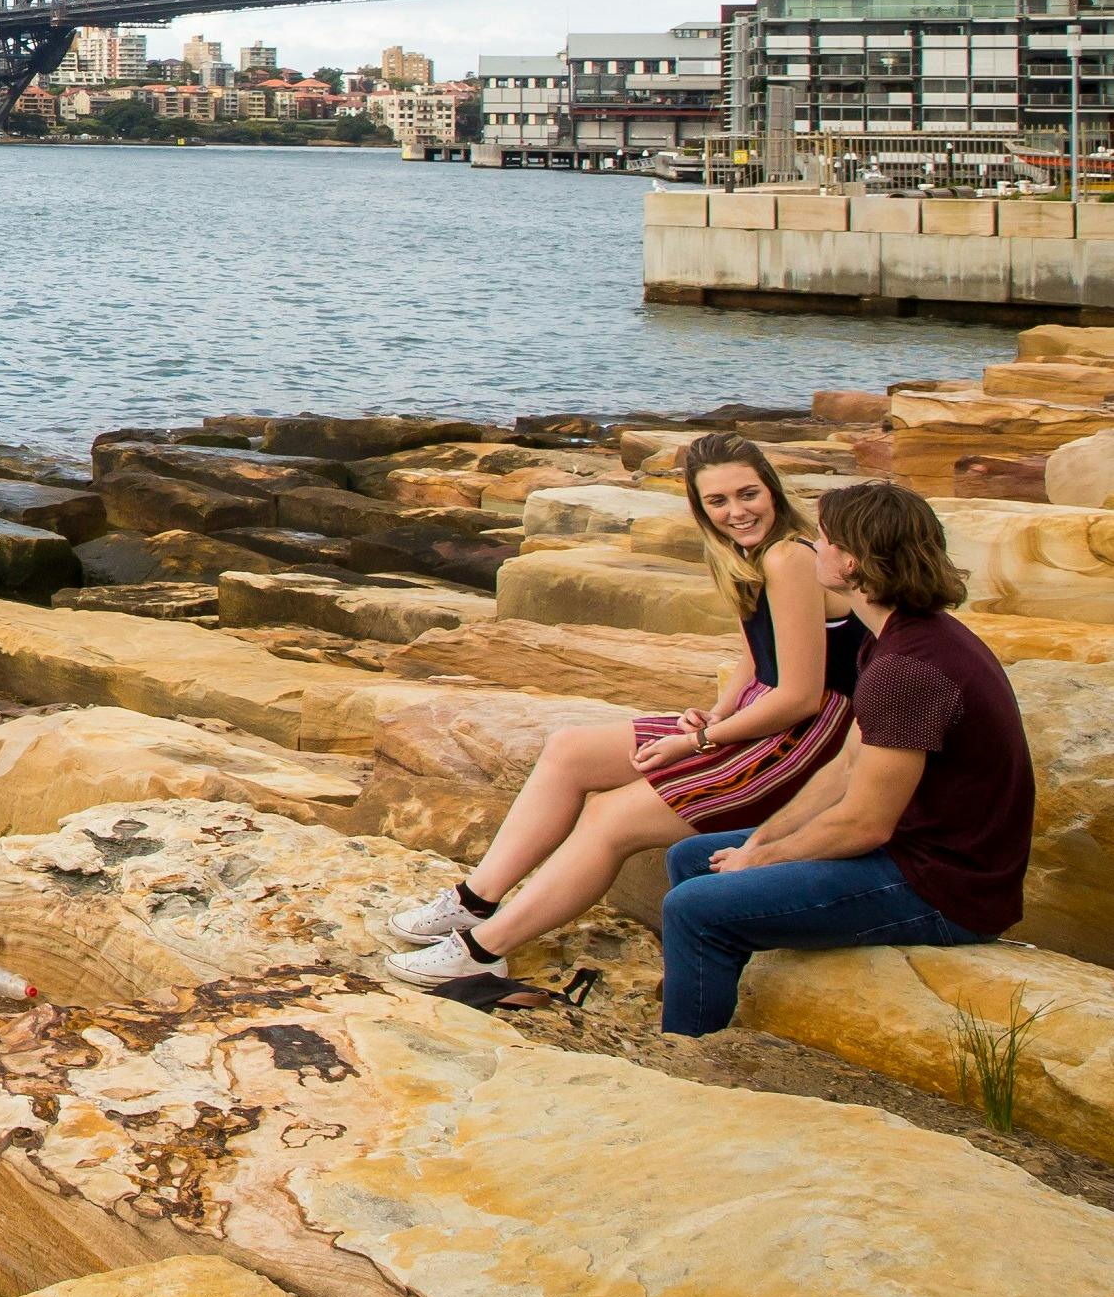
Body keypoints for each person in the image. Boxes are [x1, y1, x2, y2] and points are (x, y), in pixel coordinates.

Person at [383, 433, 860, 994]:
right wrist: (712, 716)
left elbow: (800, 695)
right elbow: (757, 657)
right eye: (719, 501)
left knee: (610, 819)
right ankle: (474, 901)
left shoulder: (789, 557)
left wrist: (698, 744)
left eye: (748, 493)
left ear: (773, 491)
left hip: (804, 739)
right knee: (569, 750)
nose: (737, 511)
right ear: (699, 507)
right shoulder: (746, 554)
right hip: (760, 718)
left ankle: (486, 951)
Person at [654, 480, 1035, 1036]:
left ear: (852, 562)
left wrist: (758, 863)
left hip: (945, 888)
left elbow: (865, 823)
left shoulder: (908, 670)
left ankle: (687, 1055)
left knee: (693, 908)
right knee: (695, 859)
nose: (813, 546)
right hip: (915, 852)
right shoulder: (895, 637)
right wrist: (758, 843)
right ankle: (721, 1004)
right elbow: (845, 766)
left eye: (824, 538)